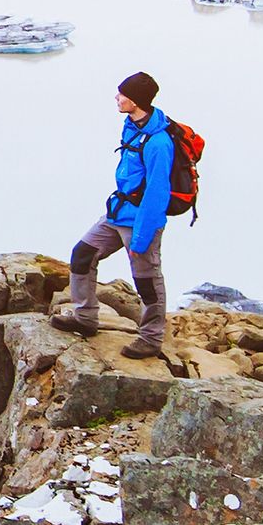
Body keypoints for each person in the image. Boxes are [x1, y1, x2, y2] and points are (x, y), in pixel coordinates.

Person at [56, 70, 175, 359]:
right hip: (117, 213)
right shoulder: (132, 126)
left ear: (135, 101)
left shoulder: (159, 143)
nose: (117, 98)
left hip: (140, 222)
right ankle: (85, 318)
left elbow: (157, 195)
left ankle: (151, 339)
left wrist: (141, 240)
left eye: (122, 94)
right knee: (82, 254)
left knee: (146, 282)